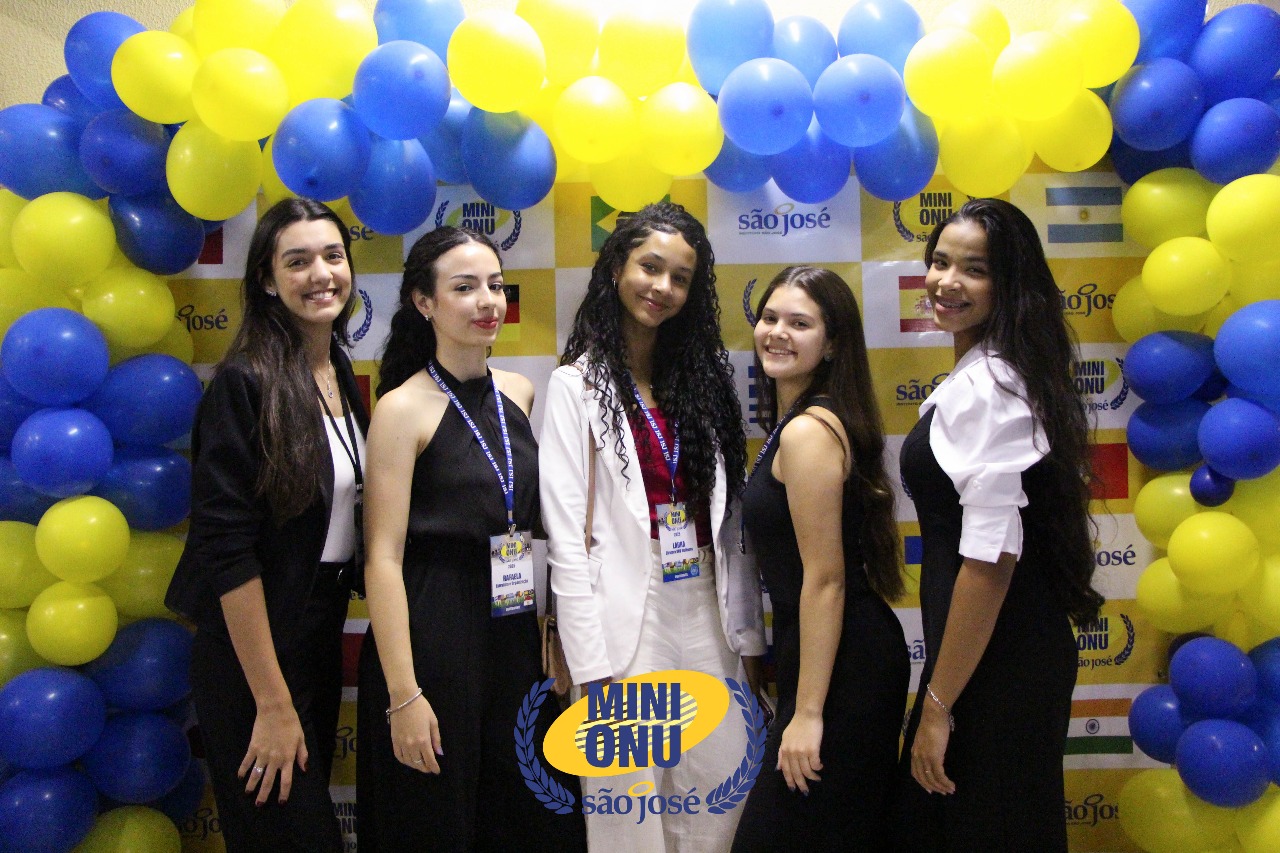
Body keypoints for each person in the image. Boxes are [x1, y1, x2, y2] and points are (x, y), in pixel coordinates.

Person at [540, 201, 766, 852]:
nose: (662, 287)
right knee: (627, 814)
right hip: (624, 615)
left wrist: (748, 642)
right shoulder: (574, 386)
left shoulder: (702, 385)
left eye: (680, 277)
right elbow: (567, 540)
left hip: (704, 610)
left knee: (720, 796)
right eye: (650, 267)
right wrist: (590, 665)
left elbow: (730, 531)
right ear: (616, 268)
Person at [355, 227, 584, 852]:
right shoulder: (401, 408)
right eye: (464, 288)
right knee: (437, 819)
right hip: (434, 628)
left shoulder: (520, 392)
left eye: (495, 286)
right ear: (423, 303)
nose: (487, 302)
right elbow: (382, 559)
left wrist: (553, 631)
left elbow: (534, 527)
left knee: (530, 817)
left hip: (514, 630)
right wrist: (404, 694)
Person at [895, 198, 1102, 851]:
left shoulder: (992, 386)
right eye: (940, 262)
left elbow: (989, 563)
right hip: (986, 659)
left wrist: (938, 706)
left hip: (999, 665)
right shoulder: (985, 374)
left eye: (975, 270)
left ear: (1009, 285)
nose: (947, 281)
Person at [166, 198, 366, 852]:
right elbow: (227, 550)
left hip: (316, 634)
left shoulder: (339, 369)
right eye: (298, 261)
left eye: (333, 256)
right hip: (252, 653)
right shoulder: (244, 381)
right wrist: (273, 704)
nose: (322, 274)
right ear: (267, 279)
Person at [731, 267, 908, 852]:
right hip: (824, 655)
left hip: (846, 667)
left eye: (800, 323)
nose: (777, 332)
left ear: (832, 344)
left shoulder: (808, 431)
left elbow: (826, 580)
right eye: (770, 317)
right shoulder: (796, 421)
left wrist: (807, 713)